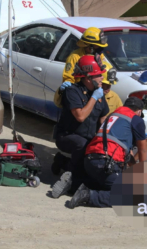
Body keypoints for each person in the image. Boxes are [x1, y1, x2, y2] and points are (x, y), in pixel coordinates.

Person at [67, 97, 147, 208]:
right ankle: (88, 196)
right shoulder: (136, 119)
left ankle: (73, 183)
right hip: (107, 163)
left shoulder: (113, 116)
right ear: (139, 111)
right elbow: (143, 149)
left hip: (90, 159)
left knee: (106, 184)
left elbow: (125, 152)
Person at [51, 55, 109, 198]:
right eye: (98, 75)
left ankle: (62, 162)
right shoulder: (73, 91)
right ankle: (73, 183)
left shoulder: (99, 93)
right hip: (67, 136)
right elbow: (80, 116)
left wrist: (108, 137)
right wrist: (94, 98)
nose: (102, 78)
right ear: (88, 78)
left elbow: (103, 118)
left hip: (88, 138)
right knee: (82, 145)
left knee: (96, 153)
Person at [53, 27, 108, 108]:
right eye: (97, 47)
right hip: (79, 95)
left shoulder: (98, 55)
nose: (100, 49)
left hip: (94, 91)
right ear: (89, 47)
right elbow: (68, 79)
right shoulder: (74, 57)